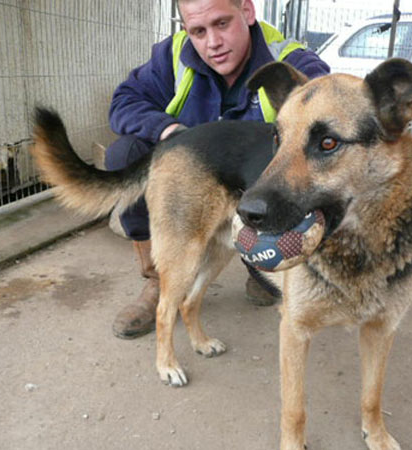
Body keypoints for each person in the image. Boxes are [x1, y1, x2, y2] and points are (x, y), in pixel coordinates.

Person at [105, 0, 330, 340]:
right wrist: (169, 132)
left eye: (222, 23)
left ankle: (262, 268)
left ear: (248, 11)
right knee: (125, 153)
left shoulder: (290, 60)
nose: (213, 42)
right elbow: (124, 102)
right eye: (198, 31)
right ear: (186, 30)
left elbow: (332, 113)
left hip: (261, 188)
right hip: (194, 176)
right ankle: (157, 278)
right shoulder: (175, 55)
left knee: (314, 182)